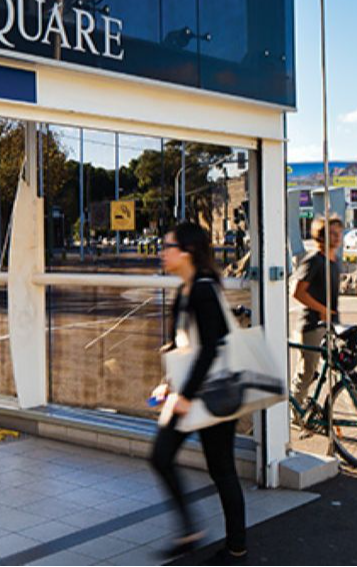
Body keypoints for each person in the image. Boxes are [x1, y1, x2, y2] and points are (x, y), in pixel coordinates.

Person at [149, 221, 246, 562]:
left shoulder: (204, 289)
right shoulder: (184, 291)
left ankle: (236, 548)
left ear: (187, 252)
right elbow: (183, 347)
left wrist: (185, 396)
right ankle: (190, 532)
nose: (163, 253)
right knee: (161, 456)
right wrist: (168, 384)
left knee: (222, 469)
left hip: (212, 393)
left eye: (168, 246)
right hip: (189, 392)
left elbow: (210, 350)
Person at [290, 215, 343, 413]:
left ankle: (306, 407)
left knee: (338, 369)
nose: (337, 237)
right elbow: (297, 292)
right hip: (311, 326)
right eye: (332, 233)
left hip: (328, 325)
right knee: (306, 373)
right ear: (321, 237)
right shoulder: (314, 261)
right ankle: (294, 414)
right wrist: (322, 310)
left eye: (338, 233)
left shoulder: (334, 261)